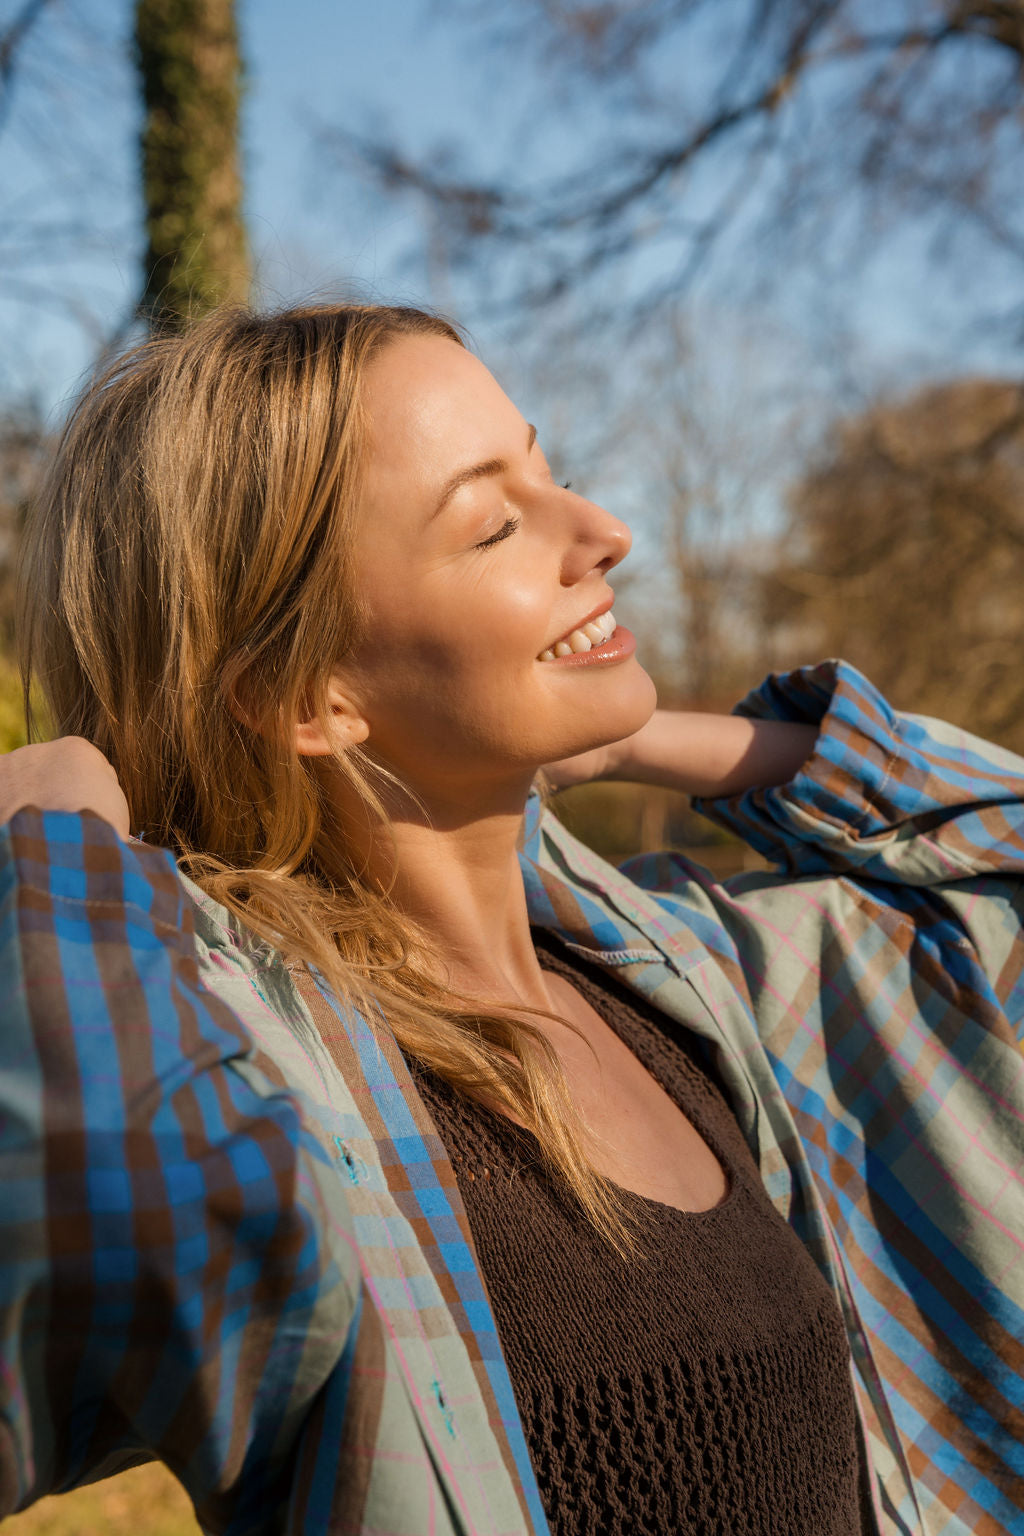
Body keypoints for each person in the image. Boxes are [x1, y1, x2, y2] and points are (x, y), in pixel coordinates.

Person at [1, 303, 1021, 1536]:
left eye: (553, 473)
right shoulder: (273, 1094)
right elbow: (86, 1193)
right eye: (494, 522)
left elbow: (991, 878)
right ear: (301, 696)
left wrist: (659, 734)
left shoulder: (688, 986)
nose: (604, 533)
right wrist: (55, 860)